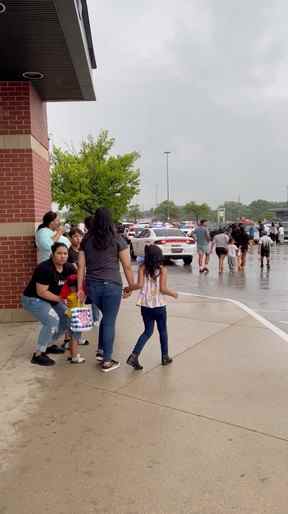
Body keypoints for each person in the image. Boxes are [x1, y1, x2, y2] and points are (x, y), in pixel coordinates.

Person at [77, 207, 135, 373]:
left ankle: (102, 351)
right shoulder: (117, 239)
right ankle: (107, 361)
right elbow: (127, 266)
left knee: (106, 318)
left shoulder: (87, 239)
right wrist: (130, 286)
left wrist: (81, 288)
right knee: (110, 320)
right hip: (112, 286)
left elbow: (81, 266)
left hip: (92, 287)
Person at [22, 242, 85, 366]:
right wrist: (62, 299)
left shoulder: (68, 268)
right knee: (52, 321)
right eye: (59, 253)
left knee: (67, 318)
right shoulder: (44, 268)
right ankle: (38, 354)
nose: (63, 256)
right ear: (52, 254)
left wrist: (78, 296)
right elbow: (41, 292)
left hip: (54, 299)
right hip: (34, 299)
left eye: (65, 253)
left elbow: (75, 284)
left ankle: (48, 344)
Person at [126, 245, 177, 370]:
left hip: (146, 306)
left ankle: (134, 355)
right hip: (159, 306)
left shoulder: (142, 268)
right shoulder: (162, 269)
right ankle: (165, 356)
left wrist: (127, 288)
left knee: (148, 331)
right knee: (163, 331)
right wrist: (174, 294)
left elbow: (139, 285)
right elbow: (163, 289)